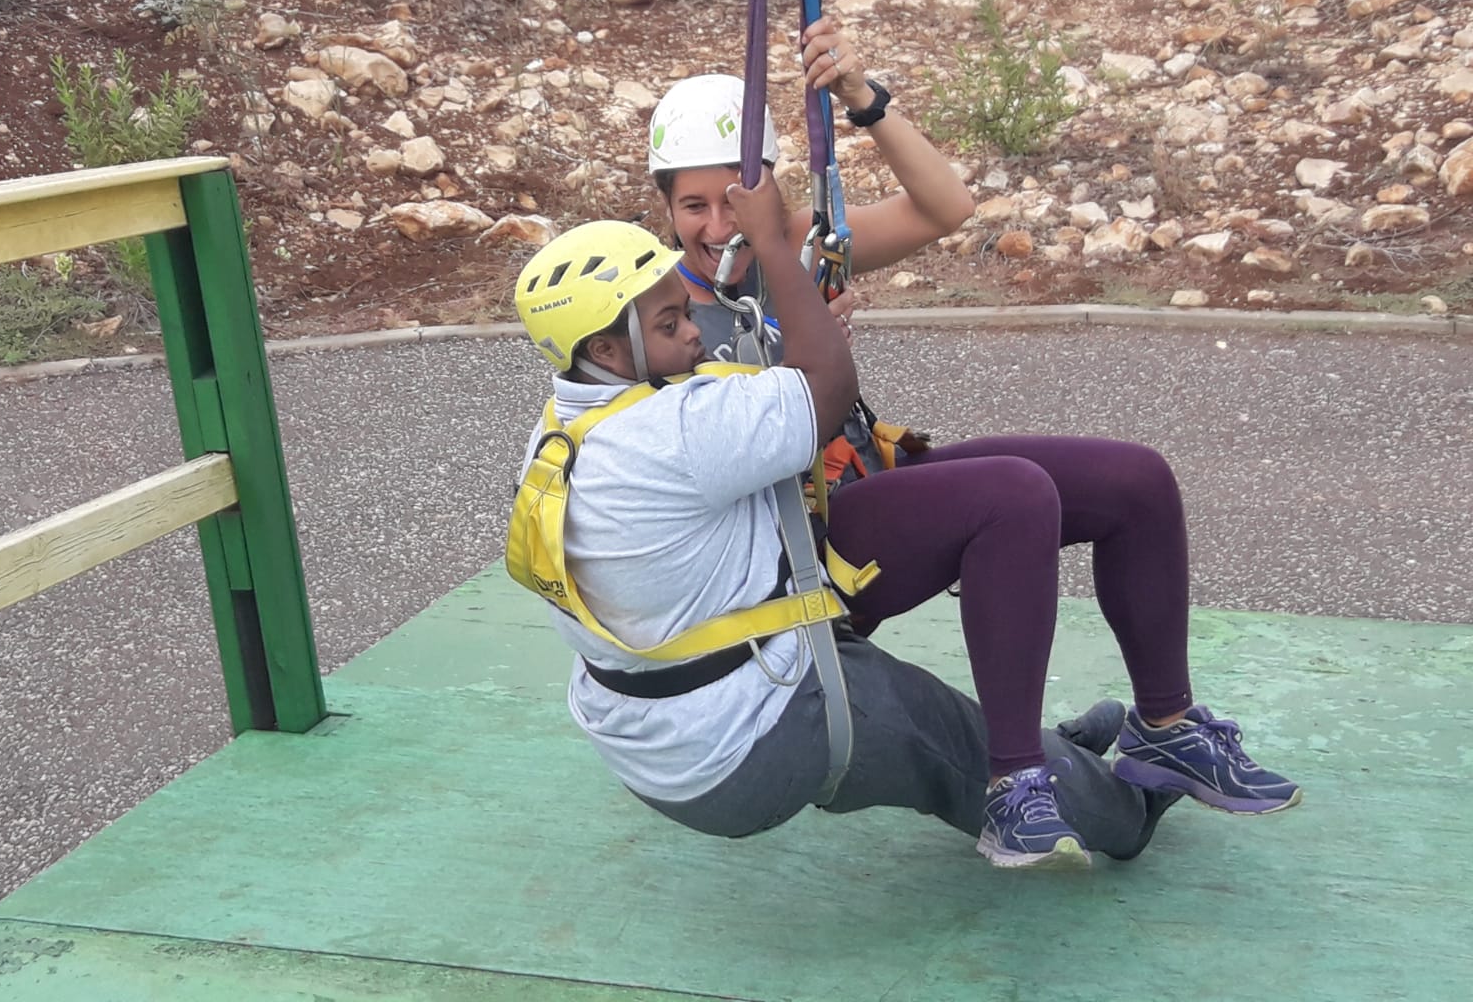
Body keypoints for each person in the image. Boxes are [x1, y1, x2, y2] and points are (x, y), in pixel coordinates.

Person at [509, 190, 1296, 871]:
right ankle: (1065, 791)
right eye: (671, 320)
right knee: (985, 740)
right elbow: (825, 390)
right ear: (609, 350)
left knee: (1125, 483)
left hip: (747, 626)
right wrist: (779, 249)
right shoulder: (664, 433)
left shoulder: (567, 427)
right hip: (748, 733)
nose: (691, 332)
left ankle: (1152, 731)